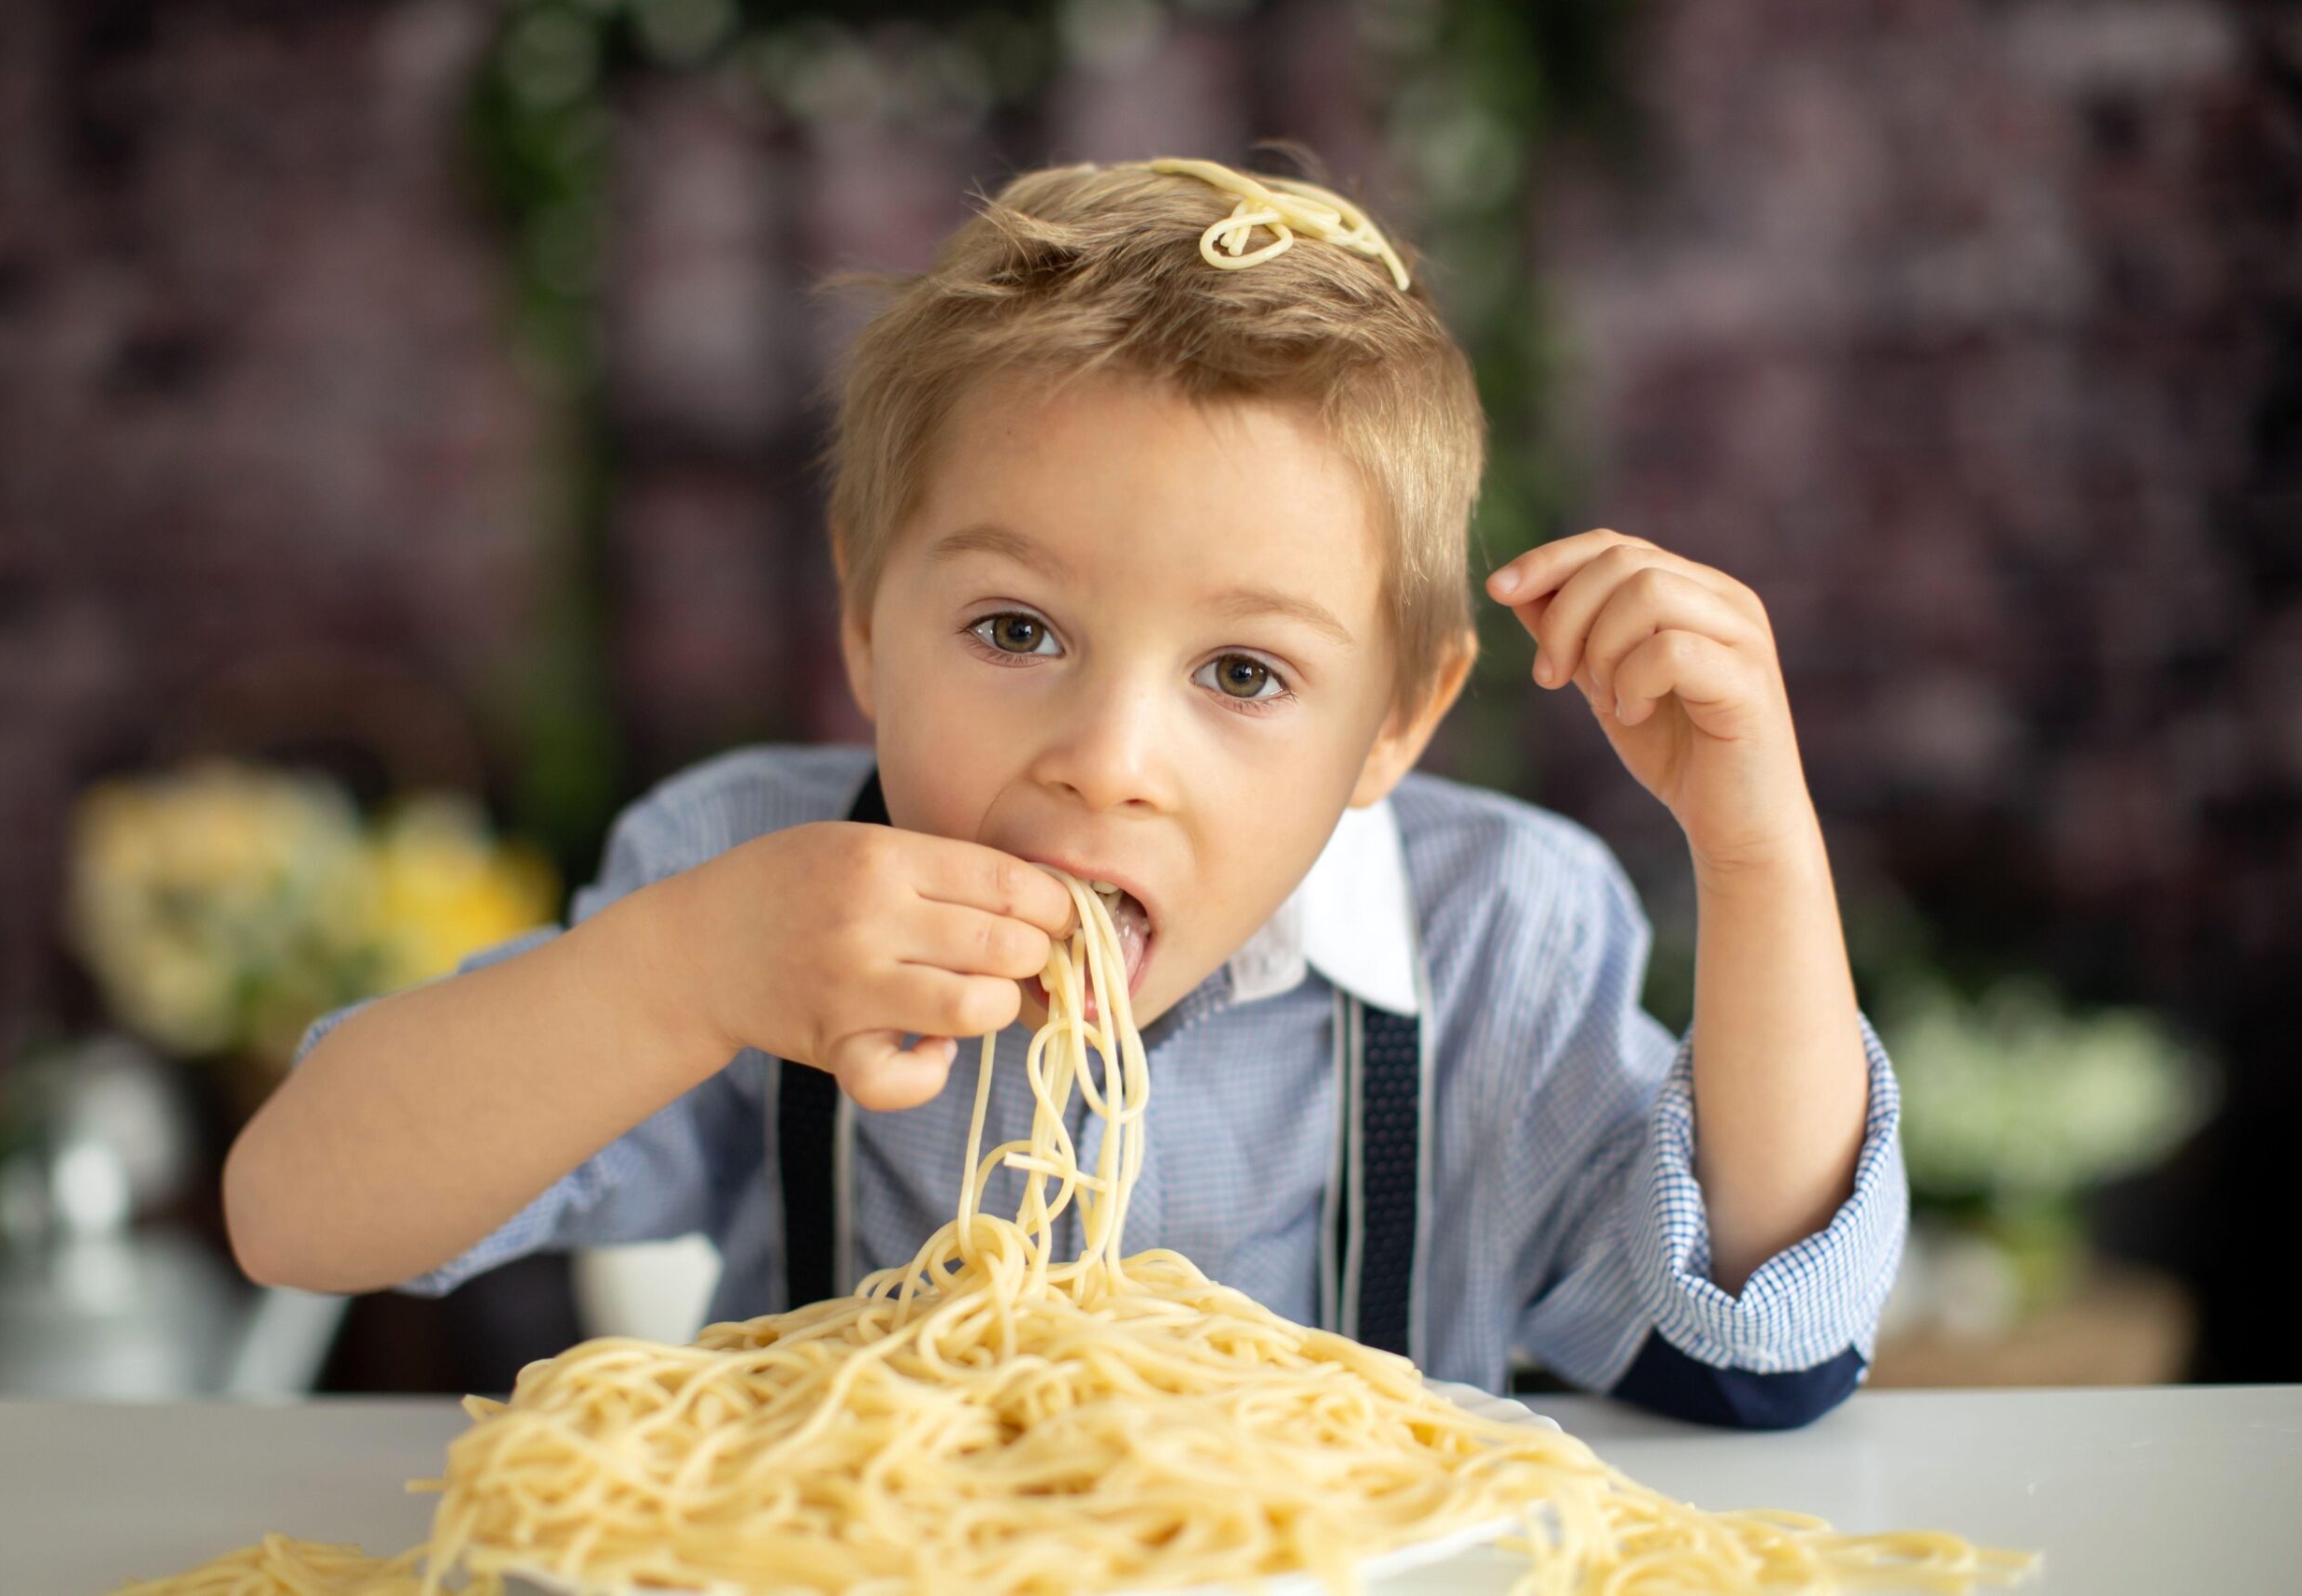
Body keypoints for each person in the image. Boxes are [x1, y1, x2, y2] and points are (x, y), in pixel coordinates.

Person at [224, 157, 1903, 1429]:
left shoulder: (1498, 939)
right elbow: (299, 1214)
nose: (1106, 759)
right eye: (1016, 629)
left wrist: (1755, 846)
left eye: (1244, 675)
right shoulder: (742, 878)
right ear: (867, 625)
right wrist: (676, 974)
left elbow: (1765, 1340)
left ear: (1397, 722)